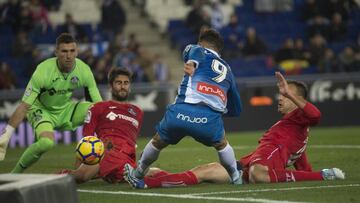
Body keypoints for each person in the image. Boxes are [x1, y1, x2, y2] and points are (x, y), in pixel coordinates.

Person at [139, 72, 345, 188]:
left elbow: (316, 115)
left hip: (257, 167)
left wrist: (320, 175)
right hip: (246, 165)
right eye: (281, 94)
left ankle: (148, 179)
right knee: (204, 172)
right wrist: (310, 174)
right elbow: (300, 161)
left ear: (297, 99)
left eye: (286, 95)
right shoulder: (294, 128)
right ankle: (151, 179)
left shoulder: (300, 119)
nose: (281, 97)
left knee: (259, 174)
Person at [123, 28, 243, 189]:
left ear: (201, 42)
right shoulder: (228, 70)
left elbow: (195, 52)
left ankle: (138, 173)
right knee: (222, 144)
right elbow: (236, 106)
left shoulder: (195, 49)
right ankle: (236, 176)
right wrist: (223, 113)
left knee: (158, 141)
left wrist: (193, 63)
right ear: (219, 49)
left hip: (180, 113)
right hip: (208, 119)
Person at [0, 33, 102, 173]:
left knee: (97, 110)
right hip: (42, 110)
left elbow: (99, 105)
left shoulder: (84, 70)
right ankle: (14, 174)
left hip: (66, 110)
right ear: (56, 53)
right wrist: (6, 135)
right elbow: (24, 106)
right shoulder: (43, 71)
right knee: (46, 143)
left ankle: (109, 154)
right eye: (64, 51)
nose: (69, 56)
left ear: (77, 52)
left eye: (72, 51)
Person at [59, 68, 144, 184]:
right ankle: (53, 178)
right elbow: (86, 139)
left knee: (151, 174)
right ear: (110, 86)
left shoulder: (137, 112)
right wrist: (79, 169)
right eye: (119, 83)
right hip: (106, 155)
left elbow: (132, 141)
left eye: (126, 83)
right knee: (80, 176)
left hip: (127, 161)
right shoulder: (98, 107)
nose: (123, 86)